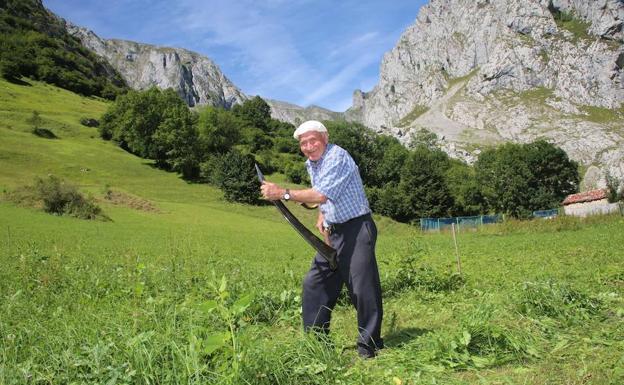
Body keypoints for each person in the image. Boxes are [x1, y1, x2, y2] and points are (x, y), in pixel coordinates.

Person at [260, 120, 383, 358]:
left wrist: (282, 193)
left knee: (362, 288)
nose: (308, 146)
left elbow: (320, 193)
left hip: (357, 229)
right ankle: (317, 344)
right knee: (315, 283)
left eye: (313, 140)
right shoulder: (313, 163)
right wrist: (321, 214)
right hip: (334, 233)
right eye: (303, 143)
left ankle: (370, 345)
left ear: (325, 138)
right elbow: (322, 196)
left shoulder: (337, 157)